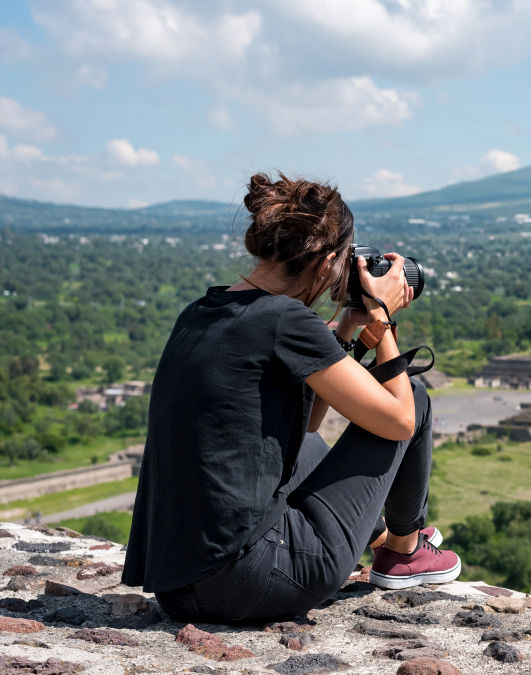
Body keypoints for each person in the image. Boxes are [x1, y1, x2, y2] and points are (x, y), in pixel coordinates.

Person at [121, 172, 460, 625]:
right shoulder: (285, 319)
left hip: (180, 585)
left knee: (306, 442)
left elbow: (306, 425)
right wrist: (382, 315)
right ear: (326, 263)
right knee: (413, 395)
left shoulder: (204, 311)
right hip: (256, 579)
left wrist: (346, 330)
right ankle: (403, 550)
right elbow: (399, 420)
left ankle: (377, 536)